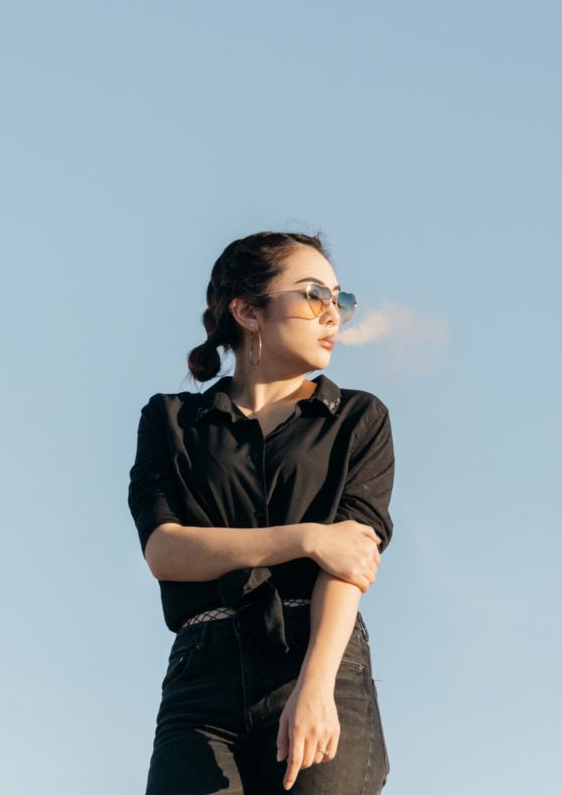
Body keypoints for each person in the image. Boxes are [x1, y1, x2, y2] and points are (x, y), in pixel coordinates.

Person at [128, 230, 395, 794]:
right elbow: (166, 551)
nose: (334, 314)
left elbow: (349, 564)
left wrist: (316, 686)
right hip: (201, 679)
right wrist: (306, 538)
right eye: (315, 295)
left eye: (341, 300)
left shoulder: (358, 420)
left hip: (319, 659)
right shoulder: (172, 422)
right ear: (248, 311)